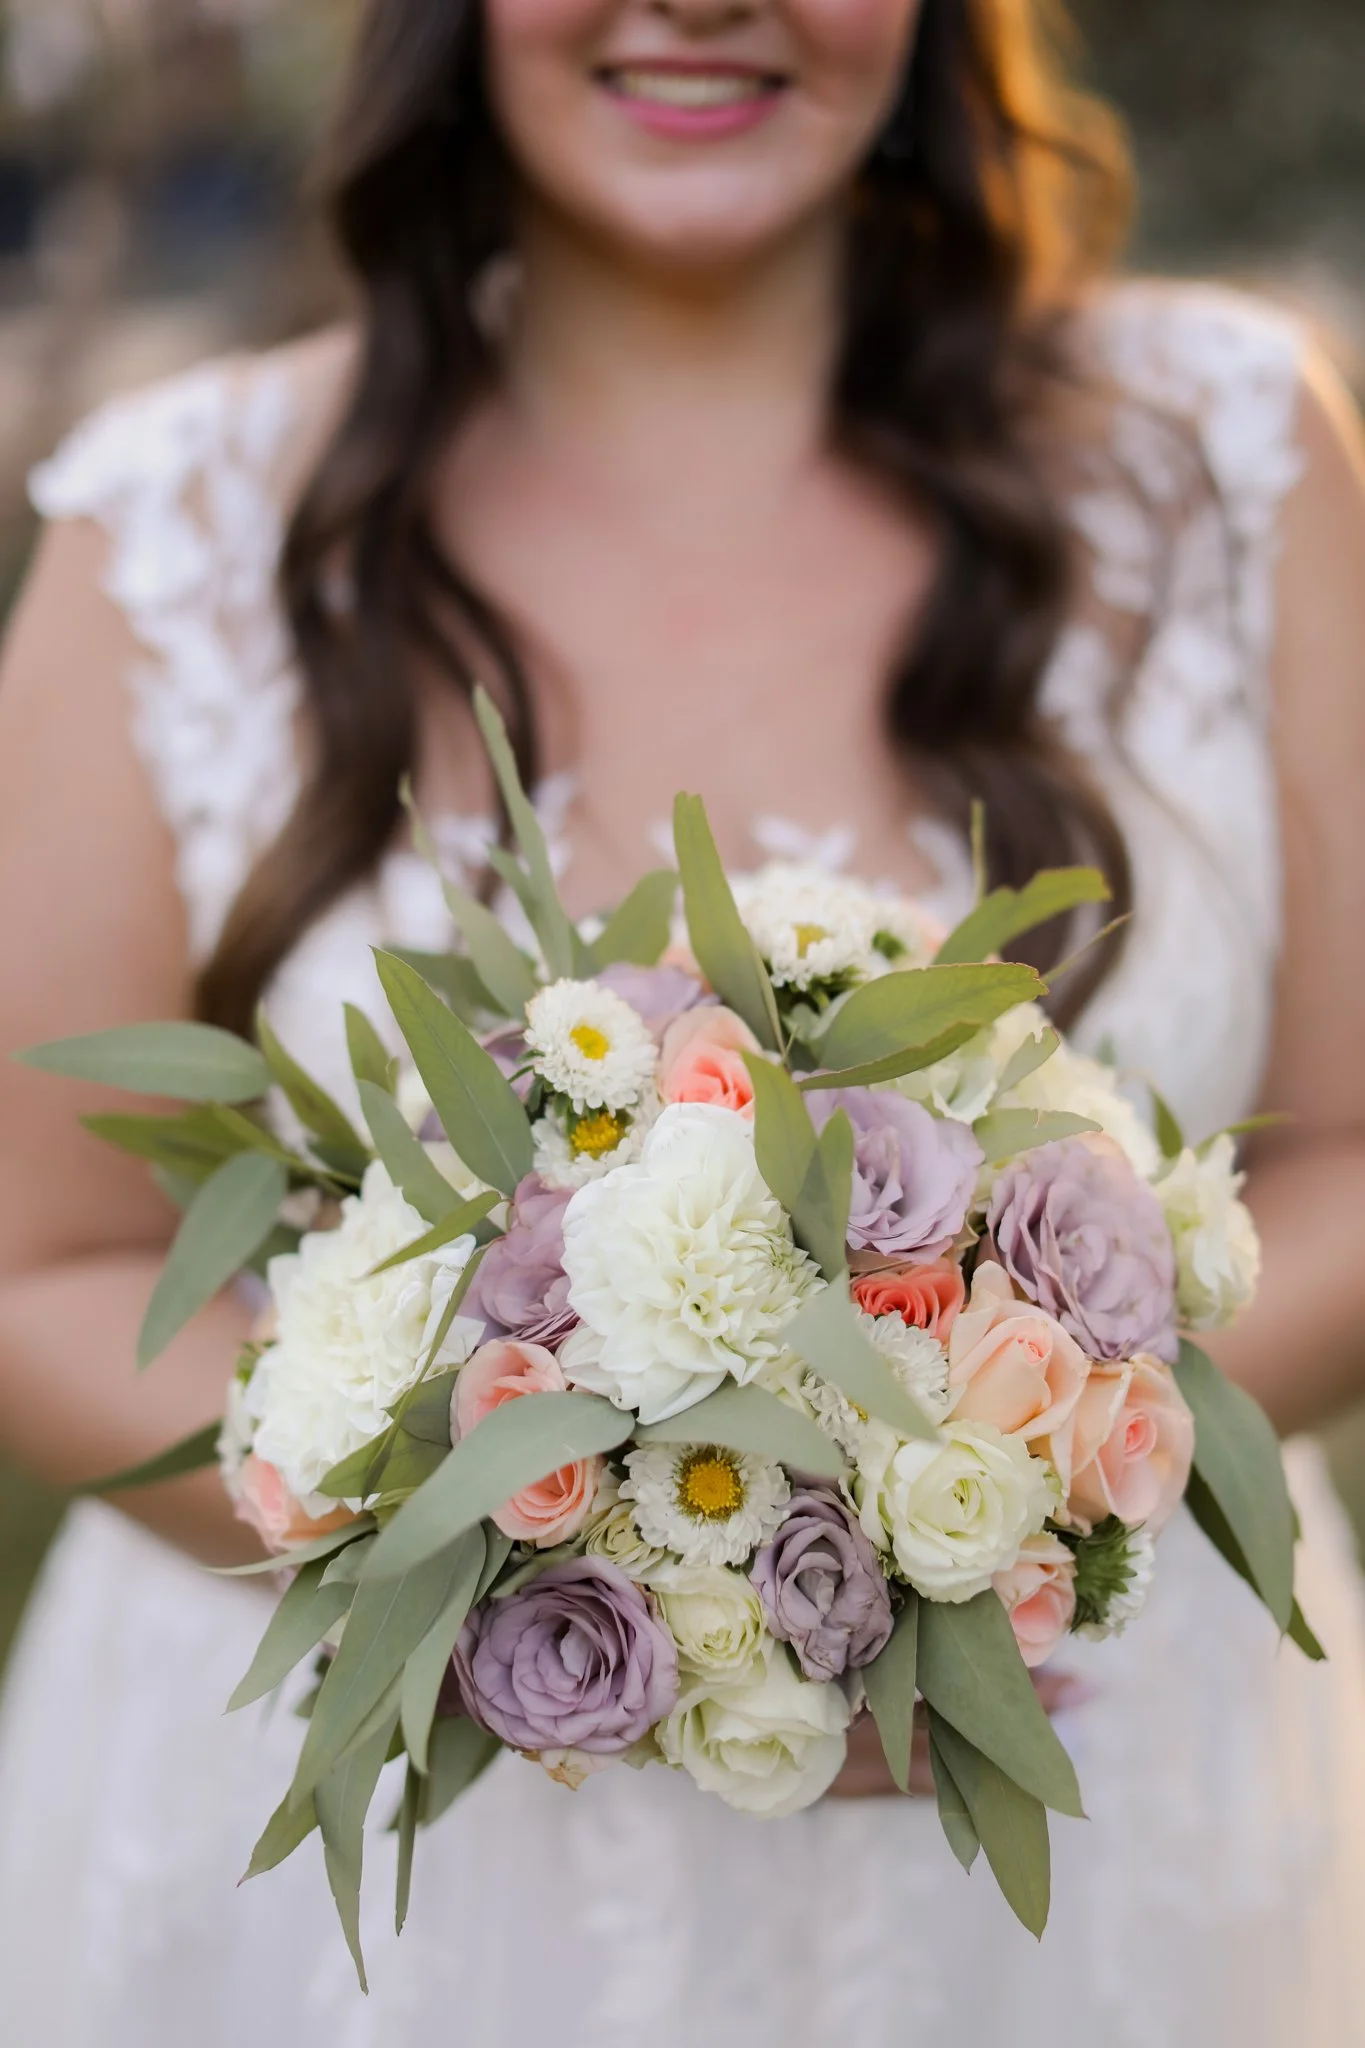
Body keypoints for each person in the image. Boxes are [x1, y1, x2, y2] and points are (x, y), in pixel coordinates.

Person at [2, 0, 1365, 2039]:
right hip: (384, 1914)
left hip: (1090, 1859)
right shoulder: (181, 527)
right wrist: (565, 1573)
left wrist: (971, 1529)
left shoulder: (1225, 450)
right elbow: (41, 1267)